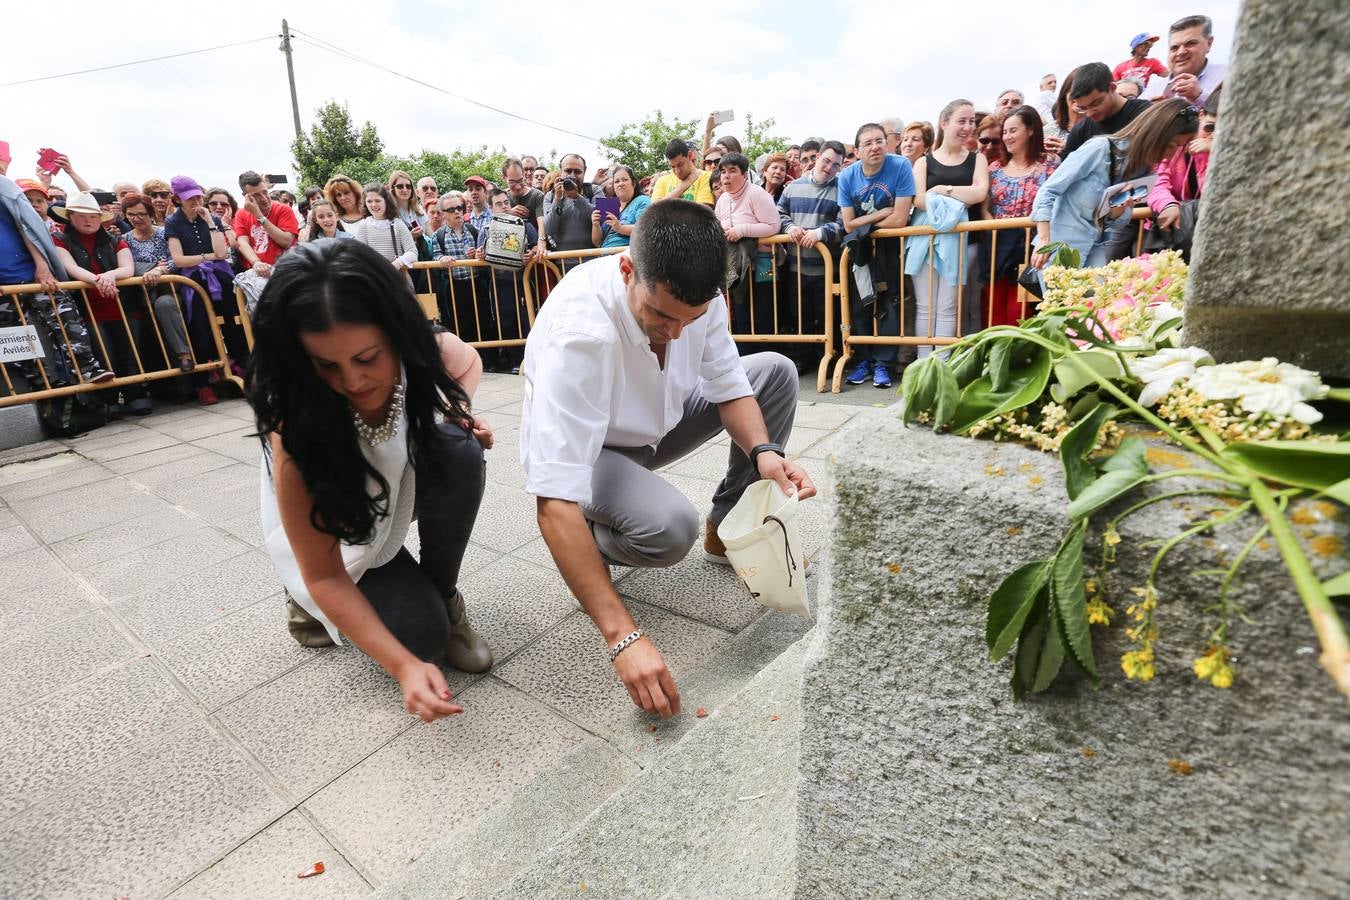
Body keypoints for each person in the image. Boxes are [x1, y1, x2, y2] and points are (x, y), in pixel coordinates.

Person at [520, 199, 816, 719]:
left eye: (691, 319)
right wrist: (622, 636)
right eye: (660, 315)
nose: (676, 333)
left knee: (773, 371)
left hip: (661, 420)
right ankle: (591, 548)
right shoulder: (580, 334)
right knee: (669, 528)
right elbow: (553, 501)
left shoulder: (702, 298)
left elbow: (729, 386)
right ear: (627, 269)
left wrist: (767, 456)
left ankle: (725, 525)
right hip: (594, 450)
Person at [250, 239, 495, 723]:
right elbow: (325, 574)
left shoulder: (419, 348)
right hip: (342, 535)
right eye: (325, 365)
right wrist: (404, 667)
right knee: (418, 641)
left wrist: (456, 411)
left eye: (368, 358)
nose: (354, 381)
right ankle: (300, 598)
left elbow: (466, 360)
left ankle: (444, 595)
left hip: (395, 493)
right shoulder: (294, 431)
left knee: (457, 449)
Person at [1031, 98, 1200, 272]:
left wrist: (1117, 211)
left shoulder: (1145, 172)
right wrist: (1044, 240)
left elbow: (1116, 223)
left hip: (1096, 250)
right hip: (1057, 251)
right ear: (1156, 133)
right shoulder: (1099, 149)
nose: (1171, 155)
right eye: (1171, 145)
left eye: (1178, 147)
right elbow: (1048, 191)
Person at [0, 175, 112, 392]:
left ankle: (86, 367)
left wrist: (41, 264)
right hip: (5, 287)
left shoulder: (5, 188)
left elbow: (26, 228)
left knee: (66, 318)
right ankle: (39, 385)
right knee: (12, 340)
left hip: (32, 274)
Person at [51, 192, 145, 414]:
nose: (87, 220)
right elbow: (70, 267)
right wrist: (99, 280)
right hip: (89, 309)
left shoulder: (115, 239)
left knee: (130, 353)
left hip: (123, 306)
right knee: (104, 356)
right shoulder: (59, 239)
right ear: (70, 217)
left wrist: (108, 276)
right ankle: (109, 400)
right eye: (81, 215)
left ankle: (136, 395)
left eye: (93, 216)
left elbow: (127, 268)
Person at [908, 100, 988, 359]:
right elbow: (918, 199)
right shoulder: (923, 162)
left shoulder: (978, 159)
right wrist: (959, 198)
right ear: (944, 123)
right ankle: (923, 365)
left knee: (948, 306)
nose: (968, 127)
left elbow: (979, 193)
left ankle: (941, 366)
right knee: (925, 307)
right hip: (926, 241)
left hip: (964, 242)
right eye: (961, 121)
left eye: (971, 121)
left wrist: (944, 191)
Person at [839, 122, 916, 387]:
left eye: (879, 140)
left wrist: (866, 224)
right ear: (857, 150)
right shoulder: (848, 176)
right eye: (868, 143)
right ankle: (862, 361)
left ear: (888, 142)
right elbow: (848, 224)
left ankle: (884, 365)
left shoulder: (901, 166)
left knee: (889, 303)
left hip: (889, 248)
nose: (875, 147)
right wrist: (882, 213)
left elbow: (901, 219)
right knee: (860, 304)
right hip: (858, 248)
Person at [121, 192, 217, 401]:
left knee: (164, 304)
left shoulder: (165, 232)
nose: (136, 219)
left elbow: (175, 259)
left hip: (173, 292)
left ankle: (185, 357)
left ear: (150, 213)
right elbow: (127, 267)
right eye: (131, 215)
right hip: (140, 298)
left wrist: (161, 271)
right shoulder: (124, 240)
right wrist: (153, 267)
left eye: (141, 214)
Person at [984, 107, 1059, 326]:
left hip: (1032, 243)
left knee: (1020, 310)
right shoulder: (994, 168)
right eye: (1005, 132)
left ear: (1031, 130)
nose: (1007, 137)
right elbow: (985, 206)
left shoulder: (1050, 164)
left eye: (1013, 130)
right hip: (997, 245)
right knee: (992, 307)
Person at [778, 140, 846, 372]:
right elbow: (779, 213)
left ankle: (829, 357)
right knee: (801, 317)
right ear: (817, 158)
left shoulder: (842, 189)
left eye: (835, 165)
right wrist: (789, 228)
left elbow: (845, 224)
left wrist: (819, 233)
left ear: (840, 167)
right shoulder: (792, 187)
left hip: (828, 270)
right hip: (797, 268)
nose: (829, 167)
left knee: (828, 316)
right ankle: (804, 359)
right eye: (826, 161)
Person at [166, 175, 246, 371]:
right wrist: (207, 257)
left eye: (198, 197)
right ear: (177, 199)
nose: (196, 201)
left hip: (222, 276)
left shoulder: (213, 218)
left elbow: (221, 252)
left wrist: (210, 220)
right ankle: (207, 377)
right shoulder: (173, 222)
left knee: (235, 321)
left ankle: (242, 366)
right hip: (194, 279)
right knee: (200, 325)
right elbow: (179, 259)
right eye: (189, 198)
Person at [1145, 87, 1220, 259]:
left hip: (1211, 234)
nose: (1213, 136)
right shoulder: (1177, 142)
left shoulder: (1229, 151)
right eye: (1210, 127)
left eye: (1223, 132)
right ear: (1201, 115)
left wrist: (1217, 149)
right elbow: (1156, 182)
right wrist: (1168, 204)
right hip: (1171, 232)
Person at [715, 153, 781, 337]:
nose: (726, 176)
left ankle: (766, 356)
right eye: (723, 172)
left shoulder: (757, 194)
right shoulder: (722, 200)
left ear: (745, 175)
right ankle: (745, 355)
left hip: (762, 263)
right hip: (735, 265)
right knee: (742, 314)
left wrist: (742, 230)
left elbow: (774, 226)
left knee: (763, 314)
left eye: (732, 171)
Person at [475, 188, 538, 373]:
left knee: (527, 320)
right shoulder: (486, 228)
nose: (504, 206)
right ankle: (515, 361)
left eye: (506, 202)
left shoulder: (525, 225)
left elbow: (536, 246)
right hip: (499, 282)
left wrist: (531, 254)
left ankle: (531, 359)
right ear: (491, 207)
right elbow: (480, 253)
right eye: (499, 204)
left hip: (523, 281)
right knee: (506, 321)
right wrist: (480, 254)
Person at [1061, 62, 1152, 160]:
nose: (1090, 113)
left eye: (1095, 104)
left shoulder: (1146, 114)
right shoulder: (1081, 130)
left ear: (1112, 88)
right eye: (1083, 108)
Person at [1142, 15, 1226, 107]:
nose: (1181, 52)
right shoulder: (1153, 91)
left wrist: (1199, 97)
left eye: (1190, 43)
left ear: (1209, 43)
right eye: (1174, 47)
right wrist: (1150, 113)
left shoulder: (1229, 76)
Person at [234, 170, 300, 278]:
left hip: (286, 271)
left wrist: (258, 215)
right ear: (245, 196)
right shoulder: (241, 214)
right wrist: (256, 262)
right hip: (256, 273)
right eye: (256, 195)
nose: (264, 198)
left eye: (265, 192)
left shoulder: (284, 209)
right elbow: (242, 244)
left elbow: (286, 241)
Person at [353, 182, 417, 288]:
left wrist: (397, 264)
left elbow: (413, 252)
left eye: (377, 200)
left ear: (386, 202)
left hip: (398, 281)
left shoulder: (398, 224)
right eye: (369, 201)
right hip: (375, 282)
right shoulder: (363, 225)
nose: (373, 205)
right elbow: (360, 256)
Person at [542, 155, 596, 252]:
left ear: (585, 171)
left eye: (577, 172)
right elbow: (549, 230)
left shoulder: (594, 191)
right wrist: (557, 200)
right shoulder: (551, 196)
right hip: (561, 262)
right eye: (568, 171)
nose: (572, 175)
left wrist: (576, 197)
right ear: (560, 171)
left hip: (592, 260)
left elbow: (601, 220)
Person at [591, 165, 649, 249]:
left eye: (624, 180)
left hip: (627, 255)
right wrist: (595, 225)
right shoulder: (608, 205)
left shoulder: (643, 200)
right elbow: (597, 243)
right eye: (617, 181)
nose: (620, 184)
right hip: (604, 256)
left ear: (634, 183)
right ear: (614, 186)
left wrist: (620, 228)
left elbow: (645, 229)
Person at [501, 157, 547, 260]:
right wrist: (509, 212)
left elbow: (542, 221)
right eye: (512, 182)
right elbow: (493, 220)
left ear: (524, 175)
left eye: (520, 180)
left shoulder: (537, 196)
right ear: (504, 178)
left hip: (535, 254)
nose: (517, 186)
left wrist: (541, 242)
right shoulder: (502, 197)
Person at [651, 139, 714, 206]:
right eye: (672, 167)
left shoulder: (706, 176)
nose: (677, 171)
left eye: (680, 165)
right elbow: (654, 210)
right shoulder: (662, 181)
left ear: (689, 156)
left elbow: (701, 213)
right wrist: (685, 184)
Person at [387, 169, 426, 236]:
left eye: (408, 186)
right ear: (393, 189)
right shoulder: (389, 213)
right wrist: (411, 237)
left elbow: (430, 236)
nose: (405, 190)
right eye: (400, 186)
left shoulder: (419, 210)